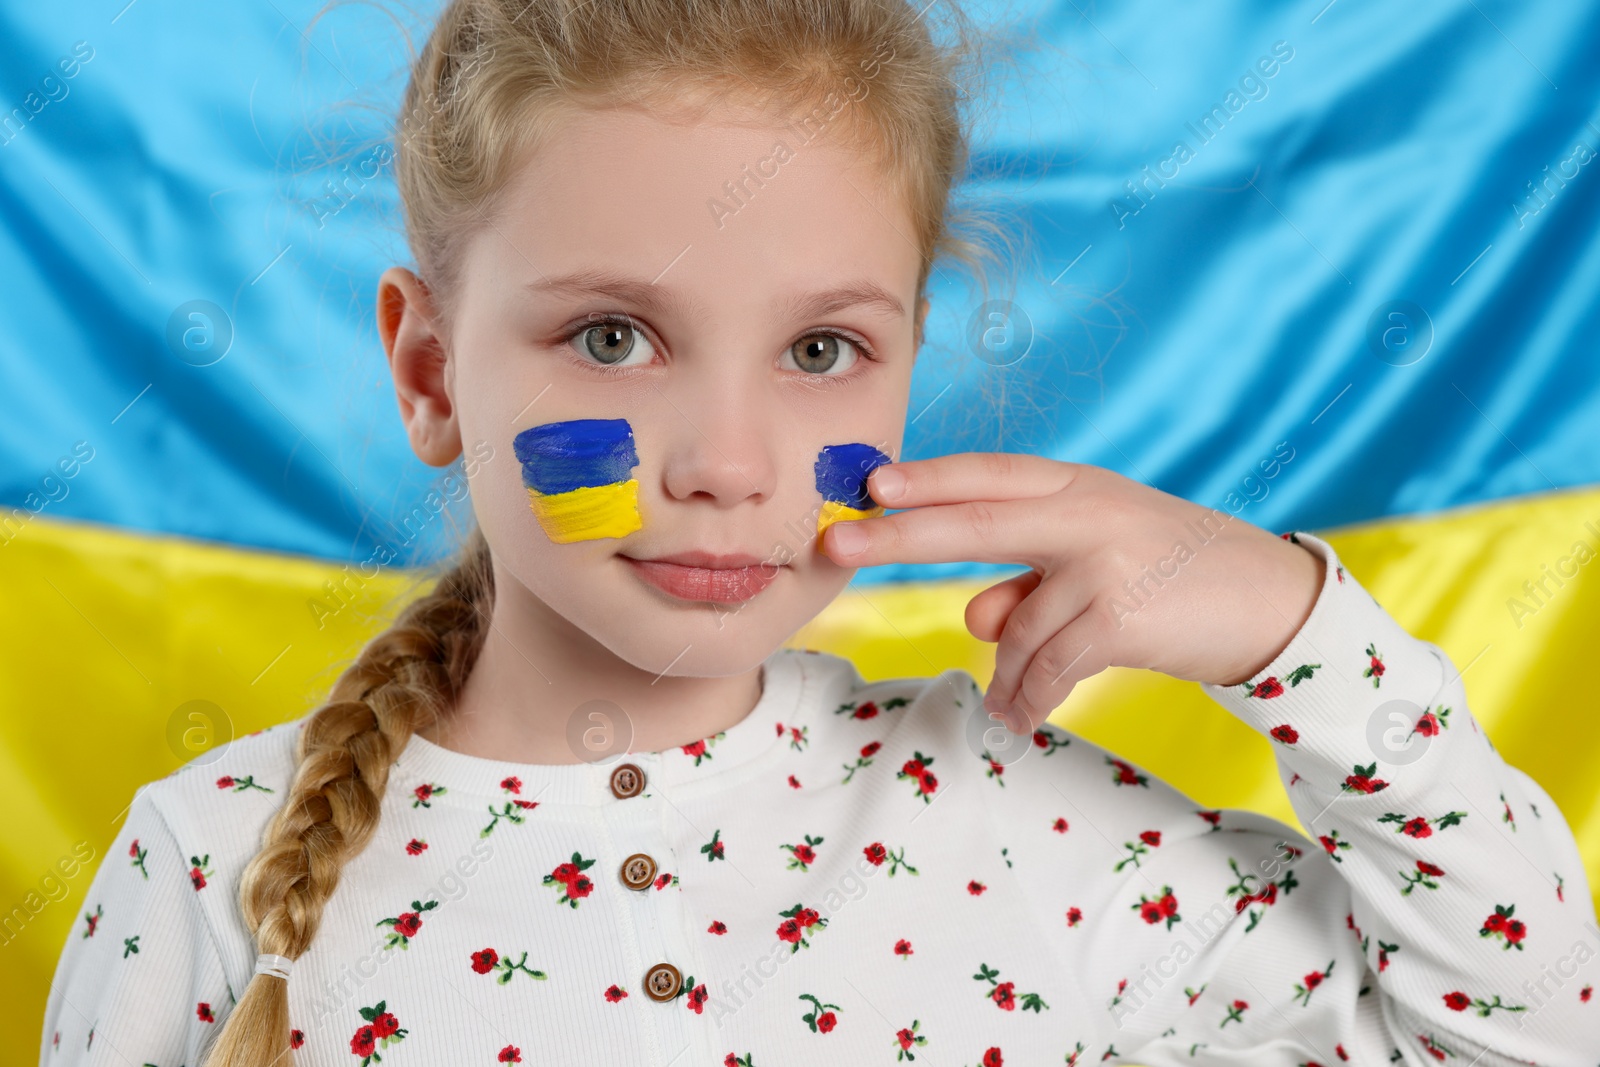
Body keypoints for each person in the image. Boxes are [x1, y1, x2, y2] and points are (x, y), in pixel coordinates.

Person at [41, 0, 1598, 1064]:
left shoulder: (1019, 830)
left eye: (818, 354)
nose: (726, 464)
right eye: (609, 338)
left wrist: (1289, 629)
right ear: (431, 367)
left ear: (911, 359)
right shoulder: (208, 864)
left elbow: (1521, 1033)